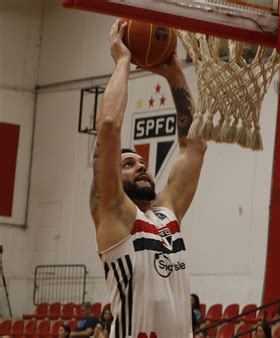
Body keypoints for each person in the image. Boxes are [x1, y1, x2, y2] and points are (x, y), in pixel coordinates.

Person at [90, 20, 206, 337]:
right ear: (112, 177)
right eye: (128, 163)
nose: (142, 167)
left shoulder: (167, 211)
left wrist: (174, 72)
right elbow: (110, 126)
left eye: (143, 163)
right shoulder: (114, 214)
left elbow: (195, 145)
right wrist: (124, 61)